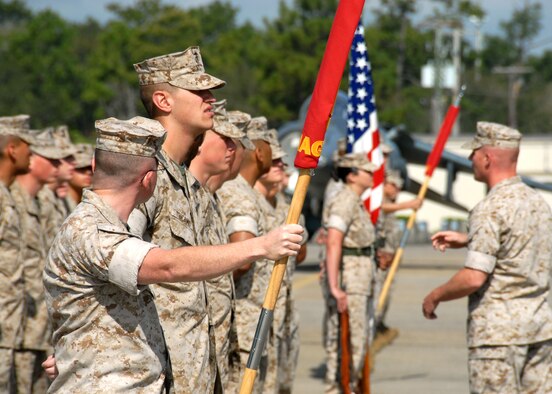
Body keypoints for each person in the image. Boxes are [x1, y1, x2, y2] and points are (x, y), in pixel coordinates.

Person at [44, 116, 304, 392]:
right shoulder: (91, 229)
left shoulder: (104, 225)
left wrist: (71, 347)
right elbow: (166, 266)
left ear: (95, 166)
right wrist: (260, 247)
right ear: (149, 179)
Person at [422, 122, 552, 393]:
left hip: (498, 339)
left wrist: (435, 296)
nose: (470, 159)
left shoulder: (489, 209)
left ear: (487, 158)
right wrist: (469, 239)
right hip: (540, 331)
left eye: (474, 153)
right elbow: (520, 246)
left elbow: (473, 278)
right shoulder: (537, 202)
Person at [188, 100, 253, 392]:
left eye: (234, 142)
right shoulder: (181, 194)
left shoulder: (209, 198)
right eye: (224, 139)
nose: (233, 148)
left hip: (213, 341)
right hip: (188, 346)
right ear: (199, 142)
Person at [217, 116, 276, 394]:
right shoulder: (239, 195)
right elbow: (242, 256)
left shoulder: (245, 192)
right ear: (260, 152)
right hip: (245, 319)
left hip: (250, 318)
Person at [11, 126, 67, 392]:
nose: (59, 166)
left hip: (34, 320)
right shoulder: (14, 199)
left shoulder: (34, 201)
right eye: (52, 159)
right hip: (15, 322)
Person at [322, 153, 377, 394]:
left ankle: (351, 384)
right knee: (349, 337)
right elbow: (334, 242)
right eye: (367, 171)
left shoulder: (354, 200)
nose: (372, 175)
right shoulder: (344, 199)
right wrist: (335, 287)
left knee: (357, 336)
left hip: (360, 275)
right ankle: (344, 386)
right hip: (350, 277)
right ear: (352, 175)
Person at [0, 114, 34, 392]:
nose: (31, 152)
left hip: (10, 326)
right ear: (12, 149)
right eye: (27, 146)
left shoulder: (6, 193)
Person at [66, 143, 94, 211]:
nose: (89, 172)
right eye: (82, 168)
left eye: (91, 168)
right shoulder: (60, 203)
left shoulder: (92, 203)